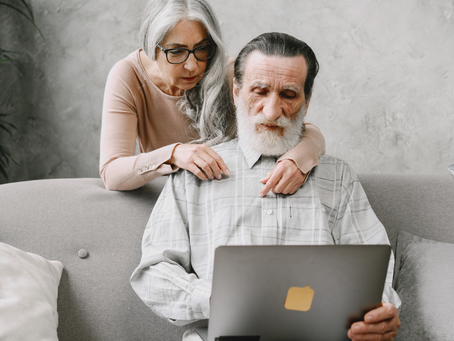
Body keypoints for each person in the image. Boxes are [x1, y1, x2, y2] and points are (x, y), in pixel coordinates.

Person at [130, 32, 401, 341]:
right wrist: (217, 297)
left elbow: (374, 268)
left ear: (306, 101)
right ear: (236, 91)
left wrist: (381, 311)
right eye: (259, 91)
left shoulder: (336, 176)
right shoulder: (195, 171)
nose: (272, 112)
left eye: (288, 95)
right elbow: (152, 274)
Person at [99, 0, 325, 195]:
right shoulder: (128, 76)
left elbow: (308, 131)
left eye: (202, 48)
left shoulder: (228, 73)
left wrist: (298, 160)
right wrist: (174, 153)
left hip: (231, 197)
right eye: (176, 51)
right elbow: (112, 173)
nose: (192, 65)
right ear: (152, 47)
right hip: (172, 202)